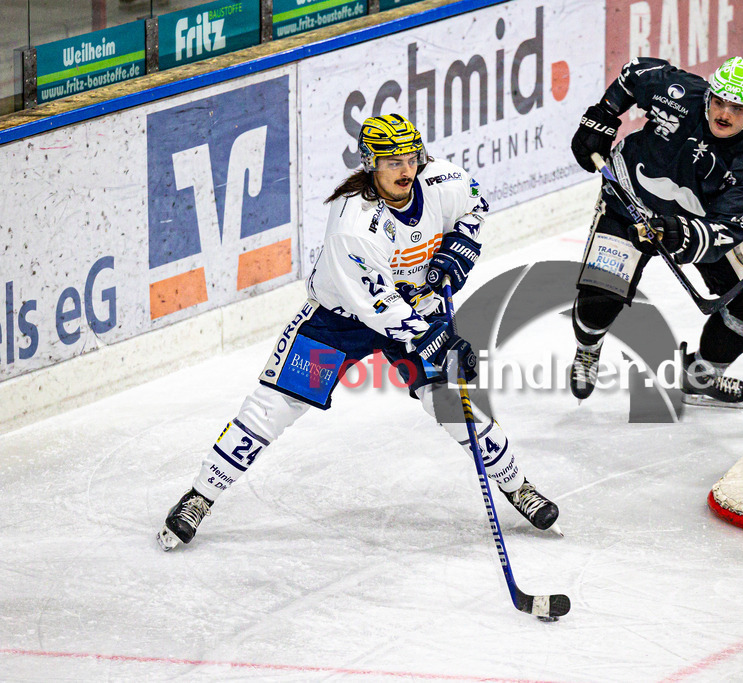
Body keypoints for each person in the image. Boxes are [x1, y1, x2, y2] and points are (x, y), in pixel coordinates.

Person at [158, 114, 560, 550]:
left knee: (451, 400)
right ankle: (199, 497)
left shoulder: (443, 180)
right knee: (273, 406)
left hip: (418, 306)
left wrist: (461, 244)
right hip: (341, 321)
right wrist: (440, 340)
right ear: (371, 165)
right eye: (393, 163)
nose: (407, 171)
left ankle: (516, 485)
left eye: (411, 158)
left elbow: (476, 204)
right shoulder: (353, 225)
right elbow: (380, 308)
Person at [568, 56, 743, 408]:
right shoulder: (679, 93)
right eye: (719, 101)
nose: (723, 114)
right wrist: (604, 114)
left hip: (696, 223)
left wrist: (682, 234)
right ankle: (588, 350)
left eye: (738, 107)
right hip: (628, 201)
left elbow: (728, 229)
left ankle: (701, 375)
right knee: (597, 302)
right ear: (709, 94)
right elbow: (635, 73)